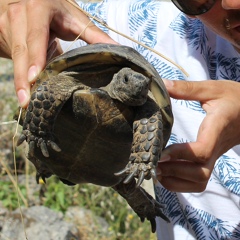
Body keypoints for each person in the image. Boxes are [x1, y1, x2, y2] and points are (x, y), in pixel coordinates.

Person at [1, 0, 240, 239]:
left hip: (111, 166)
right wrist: (19, 12)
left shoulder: (148, 111)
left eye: (144, 86)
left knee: (126, 177)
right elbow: (25, 18)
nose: (232, 3)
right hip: (65, 143)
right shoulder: (149, 29)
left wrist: (141, 161)